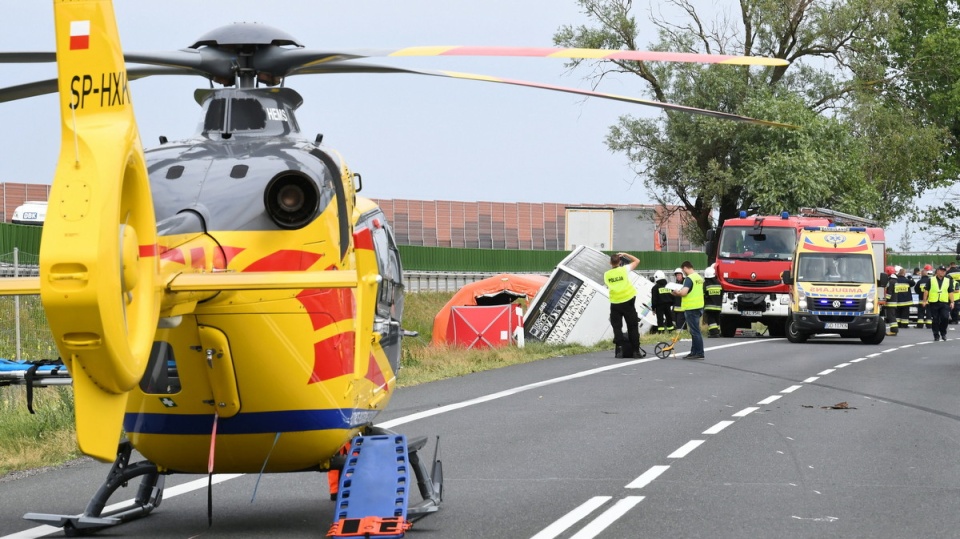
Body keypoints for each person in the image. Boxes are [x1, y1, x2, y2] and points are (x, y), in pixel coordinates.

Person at [604, 252, 641, 358]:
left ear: (610, 262)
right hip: (628, 300)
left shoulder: (607, 274)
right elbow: (637, 261)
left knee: (617, 327)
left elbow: (608, 285)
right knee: (632, 326)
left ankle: (619, 350)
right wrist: (625, 254)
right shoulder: (624, 269)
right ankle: (636, 351)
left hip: (615, 302)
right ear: (620, 262)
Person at [671, 261, 705, 359]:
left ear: (685, 268)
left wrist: (676, 293)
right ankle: (694, 352)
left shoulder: (689, 279)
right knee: (695, 331)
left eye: (683, 270)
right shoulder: (698, 277)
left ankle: (699, 353)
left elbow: (684, 292)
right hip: (698, 306)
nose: (683, 272)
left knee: (695, 332)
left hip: (691, 308)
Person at [921, 265, 955, 341]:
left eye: (944, 271)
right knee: (935, 319)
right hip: (934, 302)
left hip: (944, 302)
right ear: (937, 271)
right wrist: (924, 301)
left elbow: (950, 292)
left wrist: (952, 302)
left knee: (945, 318)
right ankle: (936, 335)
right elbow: (926, 291)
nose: (943, 272)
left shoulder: (948, 280)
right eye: (941, 270)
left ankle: (943, 333)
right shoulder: (931, 280)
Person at [703, 265, 722, 337]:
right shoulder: (719, 283)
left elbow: (703, 294)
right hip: (718, 306)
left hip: (709, 307)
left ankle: (714, 333)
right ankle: (718, 331)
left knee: (711, 320)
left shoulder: (706, 284)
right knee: (717, 319)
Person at [883, 265, 898, 336]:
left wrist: (885, 299)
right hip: (894, 301)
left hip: (891, 302)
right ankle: (894, 330)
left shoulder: (890, 281)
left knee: (891, 316)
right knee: (892, 316)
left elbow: (889, 292)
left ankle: (894, 331)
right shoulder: (895, 281)